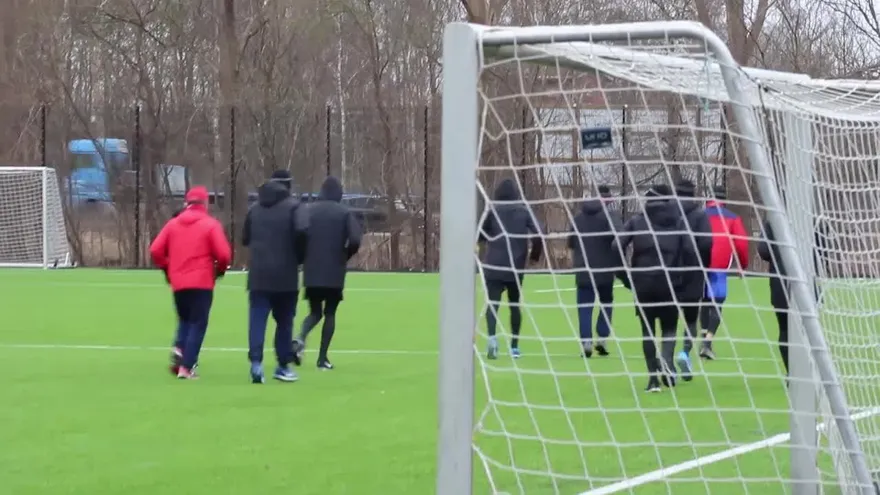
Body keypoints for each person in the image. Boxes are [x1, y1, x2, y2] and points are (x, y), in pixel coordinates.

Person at [613, 184, 695, 392]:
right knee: (669, 328)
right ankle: (667, 364)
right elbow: (690, 251)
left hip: (643, 284)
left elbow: (616, 246)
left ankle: (652, 381)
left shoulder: (637, 221)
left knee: (647, 331)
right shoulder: (679, 222)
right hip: (670, 284)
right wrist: (684, 278)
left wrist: (625, 276)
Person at [150, 186, 232, 380]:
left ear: (187, 203)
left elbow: (155, 250)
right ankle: (187, 367)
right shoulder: (210, 224)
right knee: (198, 322)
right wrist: (219, 270)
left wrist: (168, 267)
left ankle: (180, 348)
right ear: (205, 203)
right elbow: (224, 254)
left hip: (178, 282)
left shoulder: (173, 224)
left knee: (185, 319)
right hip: (202, 281)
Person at [242, 169, 308, 384]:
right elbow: (303, 232)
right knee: (285, 322)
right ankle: (282, 365)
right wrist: (299, 257)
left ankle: (256, 364)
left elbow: (245, 238)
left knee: (257, 319)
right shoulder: (295, 207)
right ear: (289, 185)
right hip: (285, 275)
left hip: (259, 274)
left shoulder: (254, 209)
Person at [293, 176, 362, 370]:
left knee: (315, 312)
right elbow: (356, 239)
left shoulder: (308, 211)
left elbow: (299, 234)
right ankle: (322, 359)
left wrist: (303, 257)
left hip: (312, 269)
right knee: (329, 312)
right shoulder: (344, 212)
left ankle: (299, 338)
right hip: (334, 270)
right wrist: (345, 255)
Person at [479, 178, 543, 360]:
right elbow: (539, 234)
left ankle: (492, 338)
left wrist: (480, 246)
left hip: (493, 264)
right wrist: (534, 257)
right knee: (514, 305)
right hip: (515, 266)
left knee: (492, 304)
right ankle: (514, 346)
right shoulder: (523, 210)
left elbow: (480, 234)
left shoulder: (492, 211)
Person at [757, 218, 828, 375]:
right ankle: (809, 371)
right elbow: (824, 251)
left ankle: (792, 373)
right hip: (808, 284)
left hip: (781, 283)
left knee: (784, 330)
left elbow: (763, 250)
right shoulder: (811, 219)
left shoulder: (772, 222)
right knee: (809, 330)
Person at [568, 184, 623, 358]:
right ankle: (602, 338)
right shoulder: (611, 217)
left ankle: (586, 342)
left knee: (584, 307)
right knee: (606, 303)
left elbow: (570, 242)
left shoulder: (578, 218)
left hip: (583, 270)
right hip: (605, 270)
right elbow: (620, 238)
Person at [700, 186, 749, 359]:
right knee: (717, 303)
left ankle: (703, 340)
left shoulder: (699, 216)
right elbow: (741, 244)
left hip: (699, 264)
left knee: (704, 301)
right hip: (719, 265)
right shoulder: (732, 218)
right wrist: (742, 266)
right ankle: (707, 342)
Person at [672, 180, 713, 381]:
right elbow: (707, 242)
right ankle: (684, 353)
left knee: (668, 319)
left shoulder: (669, 213)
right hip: (693, 273)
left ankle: (666, 359)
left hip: (669, 272)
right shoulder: (699, 216)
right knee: (690, 318)